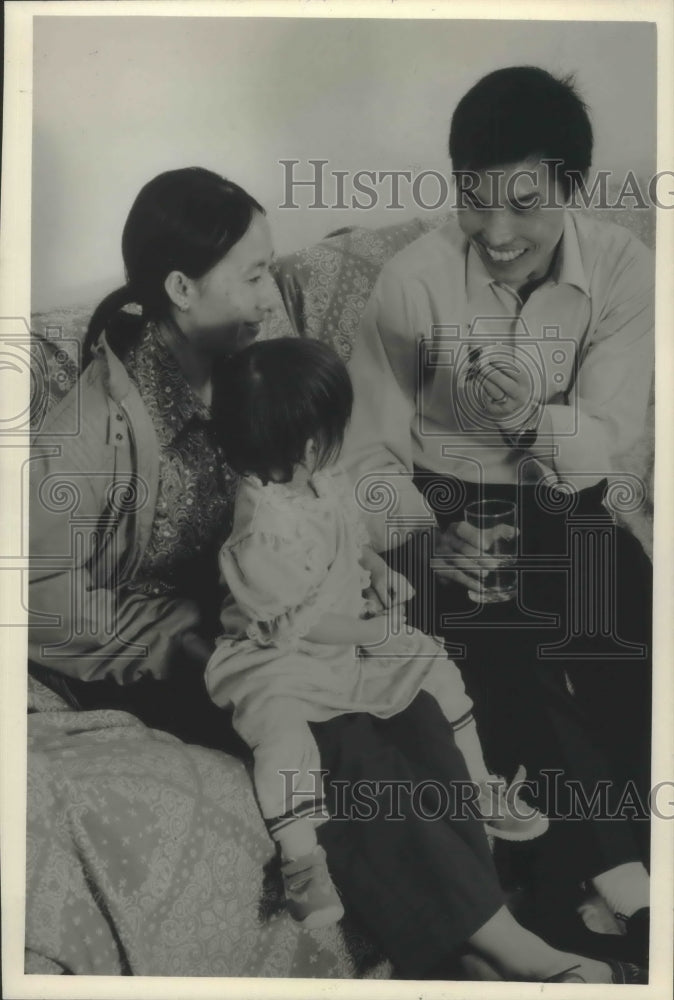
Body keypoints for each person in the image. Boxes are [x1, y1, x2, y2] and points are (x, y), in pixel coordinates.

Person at [28, 166, 644, 983]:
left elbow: (333, 473)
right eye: (252, 273)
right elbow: (30, 593)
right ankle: (513, 948)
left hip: (308, 591)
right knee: (345, 739)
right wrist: (178, 637)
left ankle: (502, 913)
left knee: (428, 688)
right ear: (181, 285)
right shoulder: (90, 433)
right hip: (211, 645)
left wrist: (412, 539)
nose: (269, 289)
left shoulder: (262, 345)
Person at [342, 66, 653, 966]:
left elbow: (608, 440)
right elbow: (363, 450)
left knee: (626, 636)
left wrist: (524, 417)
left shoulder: (629, 269)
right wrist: (421, 539)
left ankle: (626, 858)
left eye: (525, 204)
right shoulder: (413, 281)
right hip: (446, 508)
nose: (498, 233)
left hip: (567, 484)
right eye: (475, 202)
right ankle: (609, 882)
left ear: (573, 188)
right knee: (503, 644)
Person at [205, 337, 547, 929]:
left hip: (347, 630)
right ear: (311, 444)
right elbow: (301, 622)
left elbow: (352, 540)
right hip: (280, 654)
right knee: (283, 739)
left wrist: (380, 570)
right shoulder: (262, 532)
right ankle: (302, 860)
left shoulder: (322, 480)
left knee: (435, 665)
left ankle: (480, 784)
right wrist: (370, 627)